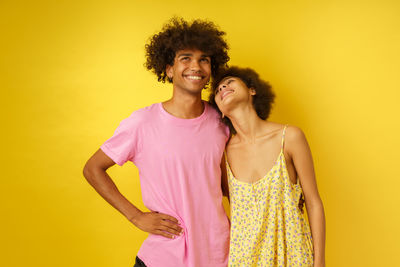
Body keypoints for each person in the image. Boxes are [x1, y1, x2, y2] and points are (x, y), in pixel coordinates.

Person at [83, 17, 230, 267]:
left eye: (203, 59)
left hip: (219, 255)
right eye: (185, 58)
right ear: (168, 69)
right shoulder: (142, 123)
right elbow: (92, 168)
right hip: (164, 257)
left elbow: (229, 186)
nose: (196, 66)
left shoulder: (222, 120)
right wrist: (135, 216)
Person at [209, 66, 326, 267]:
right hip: (244, 260)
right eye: (218, 90)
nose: (222, 88)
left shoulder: (289, 137)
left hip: (293, 255)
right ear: (220, 112)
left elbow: (313, 202)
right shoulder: (223, 155)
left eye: (229, 82)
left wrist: (320, 262)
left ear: (252, 90)